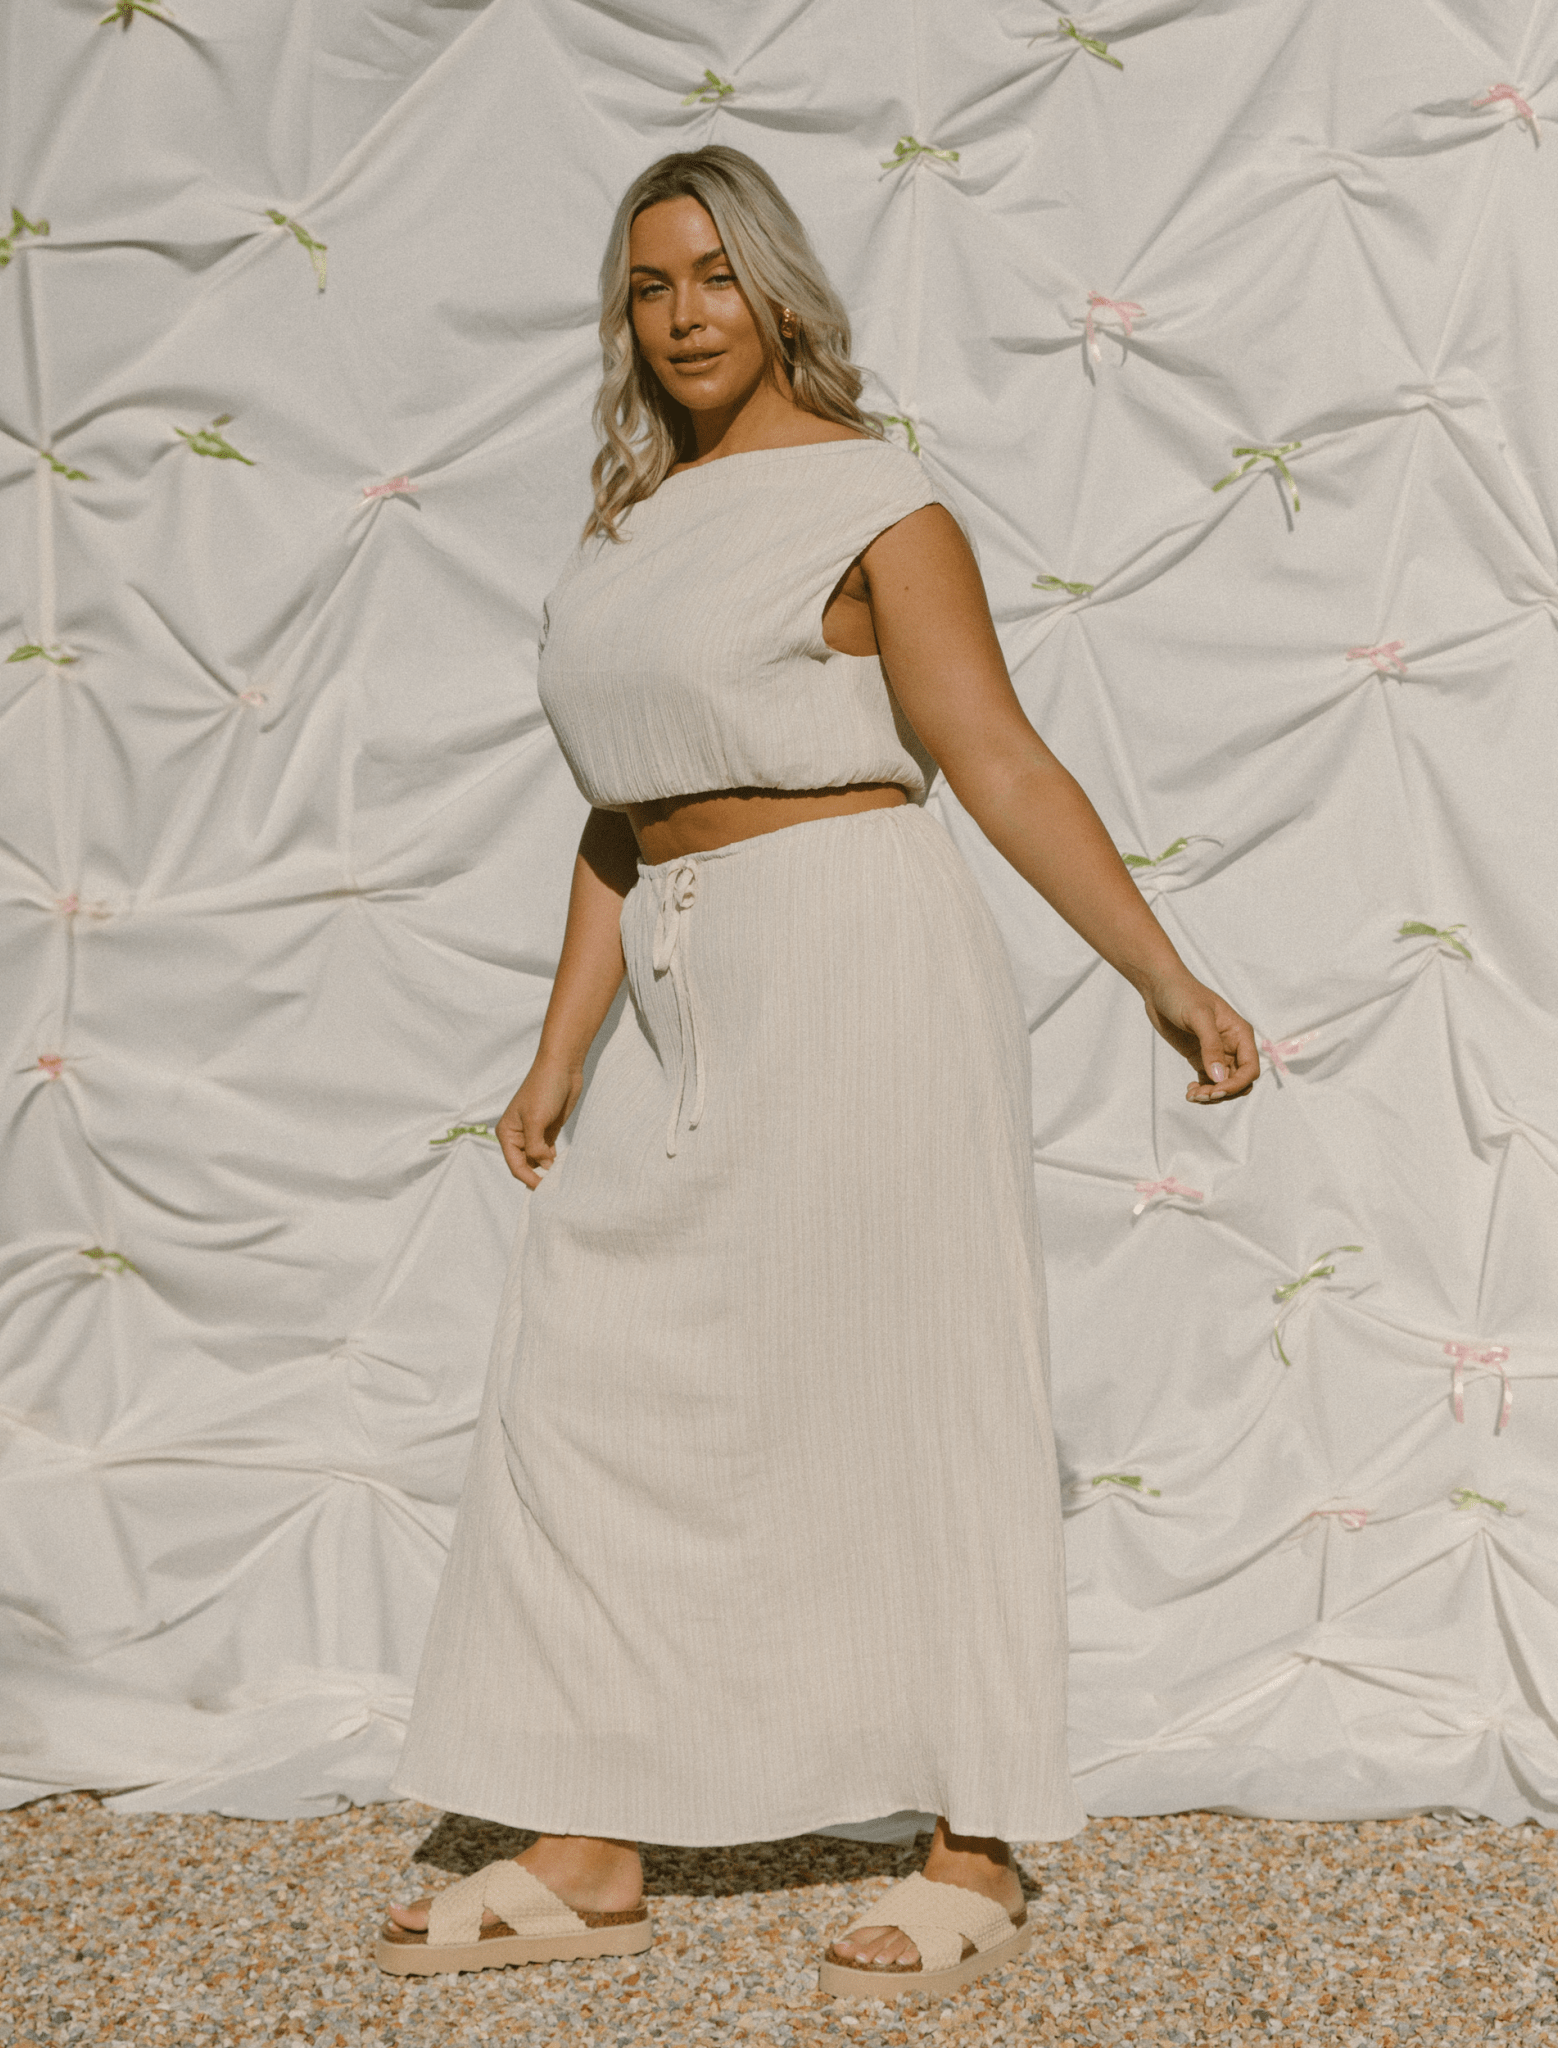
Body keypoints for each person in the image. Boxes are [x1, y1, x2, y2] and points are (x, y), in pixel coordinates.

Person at [376, 144, 1257, 2002]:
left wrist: (1161, 980)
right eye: (646, 285)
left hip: (859, 950)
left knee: (906, 1370)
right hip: (690, 972)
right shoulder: (622, 528)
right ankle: (593, 1825)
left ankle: (975, 1834)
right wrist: (555, 1062)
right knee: (595, 1379)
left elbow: (998, 761)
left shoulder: (872, 502)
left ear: (777, 292)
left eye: (711, 276)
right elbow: (621, 819)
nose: (681, 315)